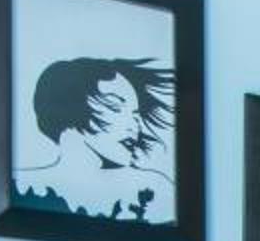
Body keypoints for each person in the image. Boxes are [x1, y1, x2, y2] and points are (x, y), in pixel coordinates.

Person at [12, 57, 176, 222]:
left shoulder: (153, 189)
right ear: (70, 105)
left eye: (136, 115)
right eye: (116, 106)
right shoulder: (22, 186)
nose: (135, 126)